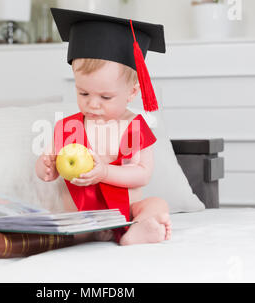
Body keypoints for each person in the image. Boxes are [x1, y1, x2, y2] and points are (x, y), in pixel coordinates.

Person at [35, 8, 171, 245]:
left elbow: (142, 173)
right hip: (80, 216)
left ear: (132, 92)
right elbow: (48, 170)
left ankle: (137, 231)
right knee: (58, 218)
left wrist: (105, 172)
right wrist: (46, 166)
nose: (93, 104)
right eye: (83, 92)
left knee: (156, 204)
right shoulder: (69, 127)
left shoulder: (134, 127)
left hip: (125, 214)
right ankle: (85, 234)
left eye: (106, 97)